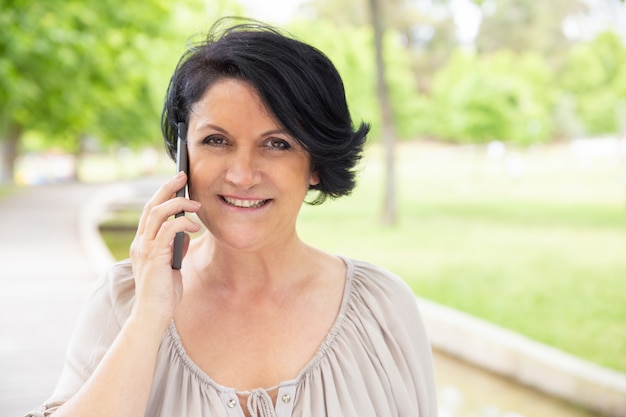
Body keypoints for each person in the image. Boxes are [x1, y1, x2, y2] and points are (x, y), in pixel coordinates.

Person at [26, 18, 437, 417]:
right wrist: (149, 317)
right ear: (184, 155)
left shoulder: (383, 309)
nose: (241, 175)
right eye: (216, 140)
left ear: (316, 164)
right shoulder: (123, 299)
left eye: (276, 143)